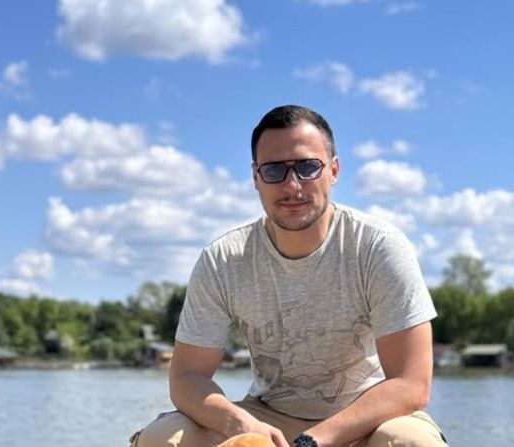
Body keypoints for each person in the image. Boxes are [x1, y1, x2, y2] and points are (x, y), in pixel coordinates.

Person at [131, 105, 448, 447]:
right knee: (163, 438)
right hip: (267, 417)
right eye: (274, 170)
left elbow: (411, 384)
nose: (292, 185)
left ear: (334, 170)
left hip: (368, 418)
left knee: (409, 442)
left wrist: (309, 442)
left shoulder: (379, 246)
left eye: (308, 167)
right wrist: (240, 423)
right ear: (256, 178)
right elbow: (187, 376)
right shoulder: (222, 259)